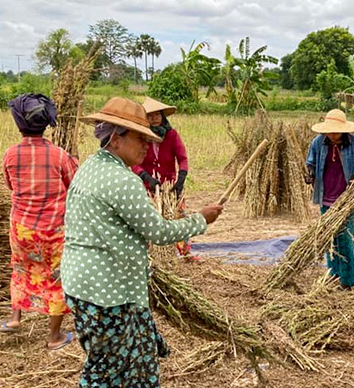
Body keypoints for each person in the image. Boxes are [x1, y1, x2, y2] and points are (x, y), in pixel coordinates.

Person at [60, 97, 223, 387]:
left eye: (149, 139)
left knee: (128, 364)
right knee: (108, 372)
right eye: (140, 138)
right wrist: (201, 219)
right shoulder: (122, 180)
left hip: (83, 286)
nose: (147, 146)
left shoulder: (90, 167)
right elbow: (158, 232)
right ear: (115, 139)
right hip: (108, 296)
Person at [1, 94, 78, 351]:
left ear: (19, 123)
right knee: (57, 278)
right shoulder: (59, 155)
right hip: (53, 231)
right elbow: (73, 185)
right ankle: (55, 337)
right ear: (46, 124)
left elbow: (11, 186)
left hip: (21, 229)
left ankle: (15, 319)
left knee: (21, 270)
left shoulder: (10, 155)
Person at [306, 109, 354, 289]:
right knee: (329, 237)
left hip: (347, 199)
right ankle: (333, 274)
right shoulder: (318, 143)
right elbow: (311, 162)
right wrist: (311, 174)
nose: (332, 135)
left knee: (344, 239)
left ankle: (348, 282)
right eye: (329, 131)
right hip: (326, 197)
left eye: (335, 131)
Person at [133, 97, 191, 257]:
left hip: (170, 186)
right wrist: (146, 177)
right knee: (149, 220)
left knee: (178, 217)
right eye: (150, 116)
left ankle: (184, 252)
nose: (154, 119)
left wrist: (181, 178)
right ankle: (152, 254)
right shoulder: (140, 138)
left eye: (157, 115)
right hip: (148, 187)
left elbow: (182, 158)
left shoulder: (172, 135)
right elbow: (134, 163)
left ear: (162, 116)